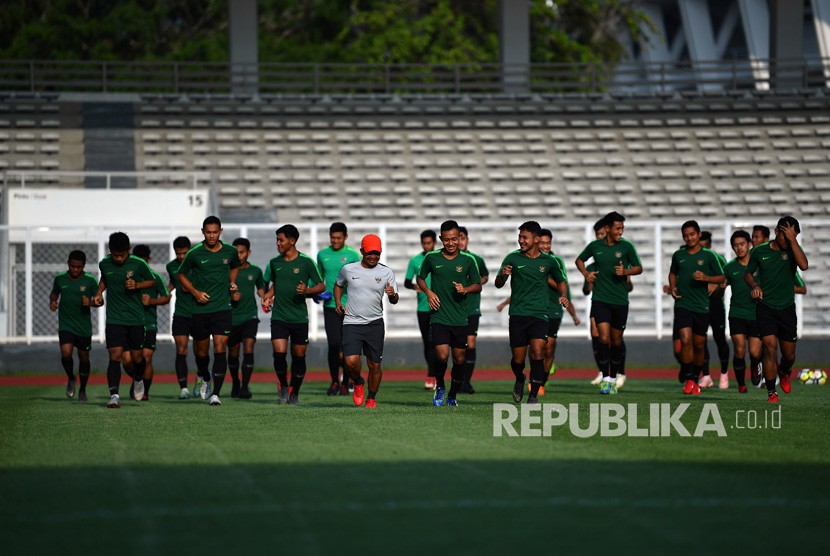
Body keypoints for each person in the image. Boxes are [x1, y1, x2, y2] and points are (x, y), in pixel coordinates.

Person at [495, 221, 568, 404]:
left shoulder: (549, 261)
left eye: (524, 237)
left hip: (540, 314)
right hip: (518, 314)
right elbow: (498, 283)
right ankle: (519, 377)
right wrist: (503, 274)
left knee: (538, 351)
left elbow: (561, 281)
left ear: (536, 239)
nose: (521, 240)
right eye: (519, 236)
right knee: (518, 360)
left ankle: (533, 394)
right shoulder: (512, 258)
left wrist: (564, 295)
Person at [176, 216, 241, 406]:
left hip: (222, 308)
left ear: (220, 231)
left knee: (221, 348)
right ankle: (205, 375)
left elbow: (235, 266)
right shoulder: (195, 253)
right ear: (202, 232)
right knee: (202, 353)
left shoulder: (230, 251)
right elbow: (181, 274)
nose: (212, 235)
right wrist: (195, 292)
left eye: (215, 232)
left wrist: (232, 282)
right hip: (200, 310)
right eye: (208, 232)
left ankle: (216, 394)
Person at [575, 211, 642, 394]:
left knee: (616, 341)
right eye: (618, 228)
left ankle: (616, 374)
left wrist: (626, 272)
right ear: (608, 228)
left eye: (622, 228)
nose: (621, 231)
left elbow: (639, 268)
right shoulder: (595, 246)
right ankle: (607, 378)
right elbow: (579, 260)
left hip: (620, 301)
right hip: (600, 300)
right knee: (603, 339)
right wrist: (586, 274)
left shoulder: (627, 247)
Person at [416, 220, 482, 407]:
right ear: (441, 239)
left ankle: (453, 394)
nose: (451, 243)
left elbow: (478, 286)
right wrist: (429, 293)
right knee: (443, 356)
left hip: (461, 317)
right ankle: (440, 387)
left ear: (459, 238)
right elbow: (420, 278)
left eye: (454, 239)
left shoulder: (469, 260)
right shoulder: (432, 258)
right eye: (447, 240)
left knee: (460, 358)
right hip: (439, 316)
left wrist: (466, 289)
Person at [745, 216, 808, 403]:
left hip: (787, 309)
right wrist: (755, 286)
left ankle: (785, 371)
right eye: (785, 236)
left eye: (792, 236)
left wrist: (792, 240)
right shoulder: (759, 252)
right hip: (765, 308)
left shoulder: (794, 249)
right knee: (770, 348)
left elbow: (804, 265)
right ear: (776, 232)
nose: (787, 240)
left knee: (788, 356)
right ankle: (772, 391)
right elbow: (748, 273)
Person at [92, 232, 157, 409]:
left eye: (122, 255)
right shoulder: (104, 263)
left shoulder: (139, 263)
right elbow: (105, 279)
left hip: (136, 319)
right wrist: (98, 293)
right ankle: (114, 395)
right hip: (114, 318)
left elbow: (152, 282)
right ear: (110, 251)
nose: (119, 259)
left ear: (128, 251)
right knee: (115, 356)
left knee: (137, 358)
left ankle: (138, 378)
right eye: (115, 255)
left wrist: (137, 285)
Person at [261, 224, 325, 405]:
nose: (277, 243)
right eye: (277, 239)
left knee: (299, 357)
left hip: (299, 317)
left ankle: (294, 392)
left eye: (280, 240)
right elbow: (277, 284)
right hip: (279, 316)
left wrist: (307, 290)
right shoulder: (275, 263)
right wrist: (267, 296)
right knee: (279, 354)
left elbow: (321, 286)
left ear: (292, 241)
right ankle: (282, 385)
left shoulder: (306, 262)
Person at [334, 234, 399, 408]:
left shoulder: (386, 272)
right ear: (362, 251)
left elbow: (395, 299)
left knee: (374, 364)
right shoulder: (348, 269)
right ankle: (358, 381)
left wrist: (392, 295)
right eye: (370, 253)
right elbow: (338, 285)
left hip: (375, 324)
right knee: (350, 362)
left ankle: (371, 397)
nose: (373, 257)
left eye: (377, 253)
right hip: (352, 322)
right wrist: (339, 303)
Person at [668, 220, 725, 395]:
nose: (689, 238)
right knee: (685, 340)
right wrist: (673, 287)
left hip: (701, 306)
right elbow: (672, 273)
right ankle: (689, 377)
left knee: (699, 346)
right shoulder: (679, 255)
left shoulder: (709, 256)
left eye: (692, 234)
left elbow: (721, 277)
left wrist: (706, 278)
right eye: (686, 235)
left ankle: (694, 377)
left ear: (699, 235)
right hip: (683, 304)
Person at [317, 222, 361, 396]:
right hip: (330, 306)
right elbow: (319, 278)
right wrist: (317, 292)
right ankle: (335, 381)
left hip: (350, 306)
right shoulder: (322, 254)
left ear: (345, 238)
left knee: (347, 346)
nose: (335, 241)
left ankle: (346, 382)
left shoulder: (352, 255)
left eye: (338, 238)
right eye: (332, 238)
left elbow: (358, 278)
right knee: (334, 345)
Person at [49, 250, 99, 402]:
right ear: (68, 264)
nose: (75, 270)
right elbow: (54, 293)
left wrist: (90, 303)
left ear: (83, 266)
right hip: (66, 324)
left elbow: (100, 301)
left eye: (79, 267)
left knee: (84, 358)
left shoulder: (90, 281)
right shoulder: (60, 279)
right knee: (66, 353)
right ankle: (71, 377)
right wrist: (53, 301)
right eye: (72, 266)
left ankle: (83, 389)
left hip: (83, 327)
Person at [122, 244, 170, 401]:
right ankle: (138, 378)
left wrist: (152, 301)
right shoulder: (128, 277)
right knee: (128, 360)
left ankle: (145, 392)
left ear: (149, 260)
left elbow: (166, 297)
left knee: (147, 357)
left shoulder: (155, 277)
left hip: (148, 323)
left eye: (144, 261)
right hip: (129, 323)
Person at [723, 230, 761, 394]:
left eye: (742, 244)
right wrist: (717, 288)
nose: (739, 248)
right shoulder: (729, 267)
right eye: (735, 245)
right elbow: (722, 284)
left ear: (749, 244)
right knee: (739, 350)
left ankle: (755, 367)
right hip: (737, 313)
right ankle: (741, 385)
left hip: (756, 314)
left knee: (754, 352)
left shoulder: (759, 264)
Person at [228, 238, 266, 399]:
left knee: (249, 346)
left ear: (248, 253)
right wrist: (231, 296)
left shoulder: (256, 271)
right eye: (236, 252)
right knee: (233, 353)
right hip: (231, 317)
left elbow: (261, 288)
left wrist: (265, 297)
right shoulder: (228, 272)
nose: (239, 255)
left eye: (242, 252)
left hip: (250, 315)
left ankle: (244, 387)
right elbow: (219, 292)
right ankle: (236, 382)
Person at [457, 226, 489, 394]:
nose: (460, 241)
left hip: (472, 308)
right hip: (455, 308)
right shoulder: (451, 259)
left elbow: (485, 276)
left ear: (467, 239)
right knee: (458, 347)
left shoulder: (476, 259)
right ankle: (457, 380)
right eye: (458, 238)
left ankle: (466, 382)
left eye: (463, 238)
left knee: (470, 344)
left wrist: (474, 285)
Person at [405, 229, 438, 390]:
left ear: (434, 243)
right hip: (423, 308)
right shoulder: (415, 260)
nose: (426, 246)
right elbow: (406, 282)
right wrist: (414, 286)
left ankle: (433, 375)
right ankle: (432, 373)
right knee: (427, 343)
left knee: (435, 342)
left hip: (439, 307)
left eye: (429, 243)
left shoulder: (440, 257)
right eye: (424, 243)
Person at [699, 231, 731, 389]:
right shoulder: (694, 259)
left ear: (710, 245)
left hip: (716, 306)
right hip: (699, 306)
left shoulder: (719, 259)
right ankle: (706, 376)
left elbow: (726, 280)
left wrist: (717, 285)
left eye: (705, 246)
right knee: (700, 342)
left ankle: (724, 374)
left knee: (720, 340)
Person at [166, 236, 197, 399]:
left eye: (184, 253)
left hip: (199, 313)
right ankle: (183, 388)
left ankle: (201, 378)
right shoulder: (171, 266)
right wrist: (165, 291)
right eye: (178, 254)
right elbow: (172, 283)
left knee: (201, 351)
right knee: (181, 349)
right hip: (181, 313)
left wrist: (192, 288)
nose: (181, 257)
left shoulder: (198, 263)